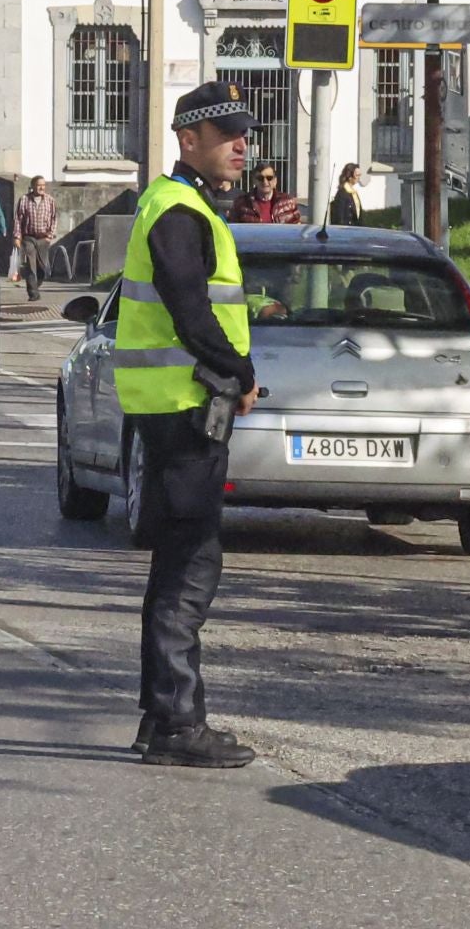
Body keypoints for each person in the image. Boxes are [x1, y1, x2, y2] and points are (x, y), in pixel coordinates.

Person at [115, 80, 258, 770]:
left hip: (175, 406)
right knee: (191, 567)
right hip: (183, 411)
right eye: (227, 134)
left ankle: (160, 716)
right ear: (187, 140)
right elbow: (190, 313)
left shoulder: (184, 205)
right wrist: (239, 370)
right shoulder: (178, 211)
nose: (241, 145)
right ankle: (177, 722)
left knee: (178, 561)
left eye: (245, 134)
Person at [13, 175, 57, 300]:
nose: (41, 187)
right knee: (31, 266)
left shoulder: (50, 200)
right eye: (39, 185)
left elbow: (54, 218)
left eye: (43, 185)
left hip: (44, 238)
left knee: (42, 267)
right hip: (29, 238)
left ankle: (36, 285)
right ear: (32, 186)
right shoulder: (24, 200)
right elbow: (18, 219)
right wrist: (17, 236)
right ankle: (33, 293)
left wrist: (50, 235)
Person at [230, 164, 300, 225]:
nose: (265, 182)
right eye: (260, 178)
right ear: (254, 181)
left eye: (269, 178)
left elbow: (297, 230)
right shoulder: (241, 203)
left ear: (275, 181)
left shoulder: (288, 202)